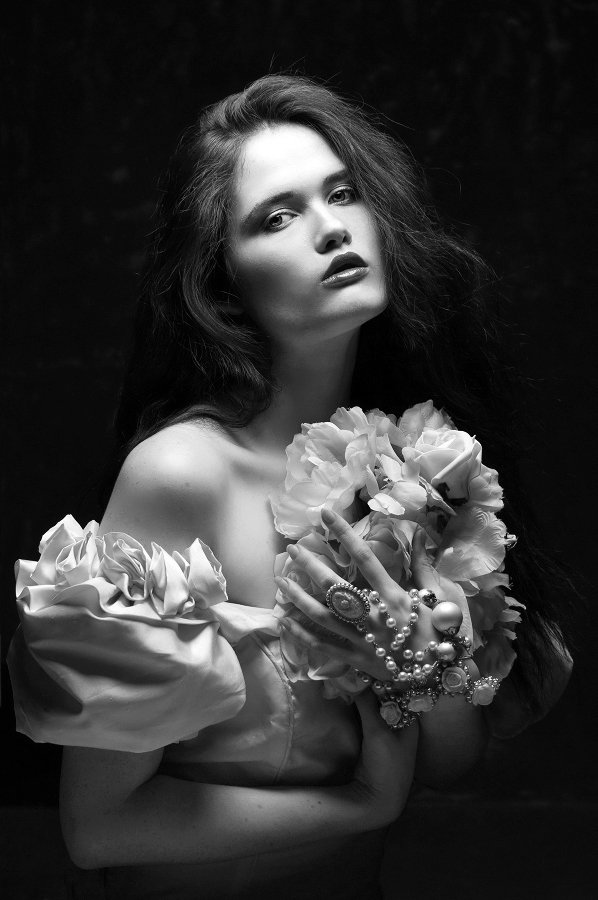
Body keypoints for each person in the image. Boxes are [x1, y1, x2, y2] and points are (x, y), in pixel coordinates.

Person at [9, 74, 573, 900]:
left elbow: (451, 761)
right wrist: (362, 803)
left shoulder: (416, 467)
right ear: (222, 277)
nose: (331, 227)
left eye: (342, 194)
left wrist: (425, 664)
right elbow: (97, 829)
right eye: (276, 216)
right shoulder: (181, 475)